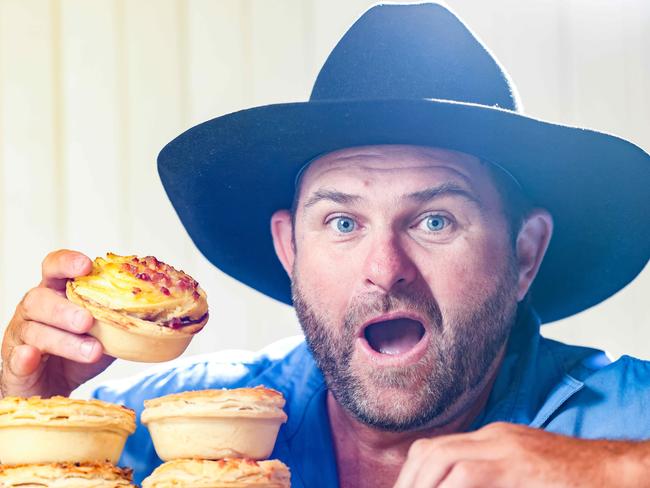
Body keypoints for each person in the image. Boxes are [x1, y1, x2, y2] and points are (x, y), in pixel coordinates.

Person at [2, 3, 649, 487]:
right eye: (342, 223)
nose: (385, 270)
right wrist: (21, 408)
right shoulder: (186, 425)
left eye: (435, 222)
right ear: (289, 249)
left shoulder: (622, 414)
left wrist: (614, 469)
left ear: (525, 253)